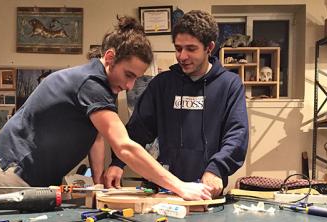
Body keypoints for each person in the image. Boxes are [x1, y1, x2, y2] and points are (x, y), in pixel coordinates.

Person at [0, 15, 213, 200]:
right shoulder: (91, 84)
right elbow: (124, 146)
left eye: (136, 79)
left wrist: (97, 184)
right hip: (15, 168)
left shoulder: (106, 85)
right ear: (110, 57)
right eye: (128, 75)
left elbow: (96, 136)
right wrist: (180, 187)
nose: (128, 86)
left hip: (24, 168)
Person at [105, 10, 249, 198]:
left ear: (209, 47)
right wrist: (118, 162)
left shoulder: (229, 85)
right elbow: (138, 129)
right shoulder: (162, 84)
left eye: (191, 49)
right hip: (165, 190)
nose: (182, 56)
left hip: (207, 191)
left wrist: (216, 169)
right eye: (178, 48)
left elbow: (237, 135)